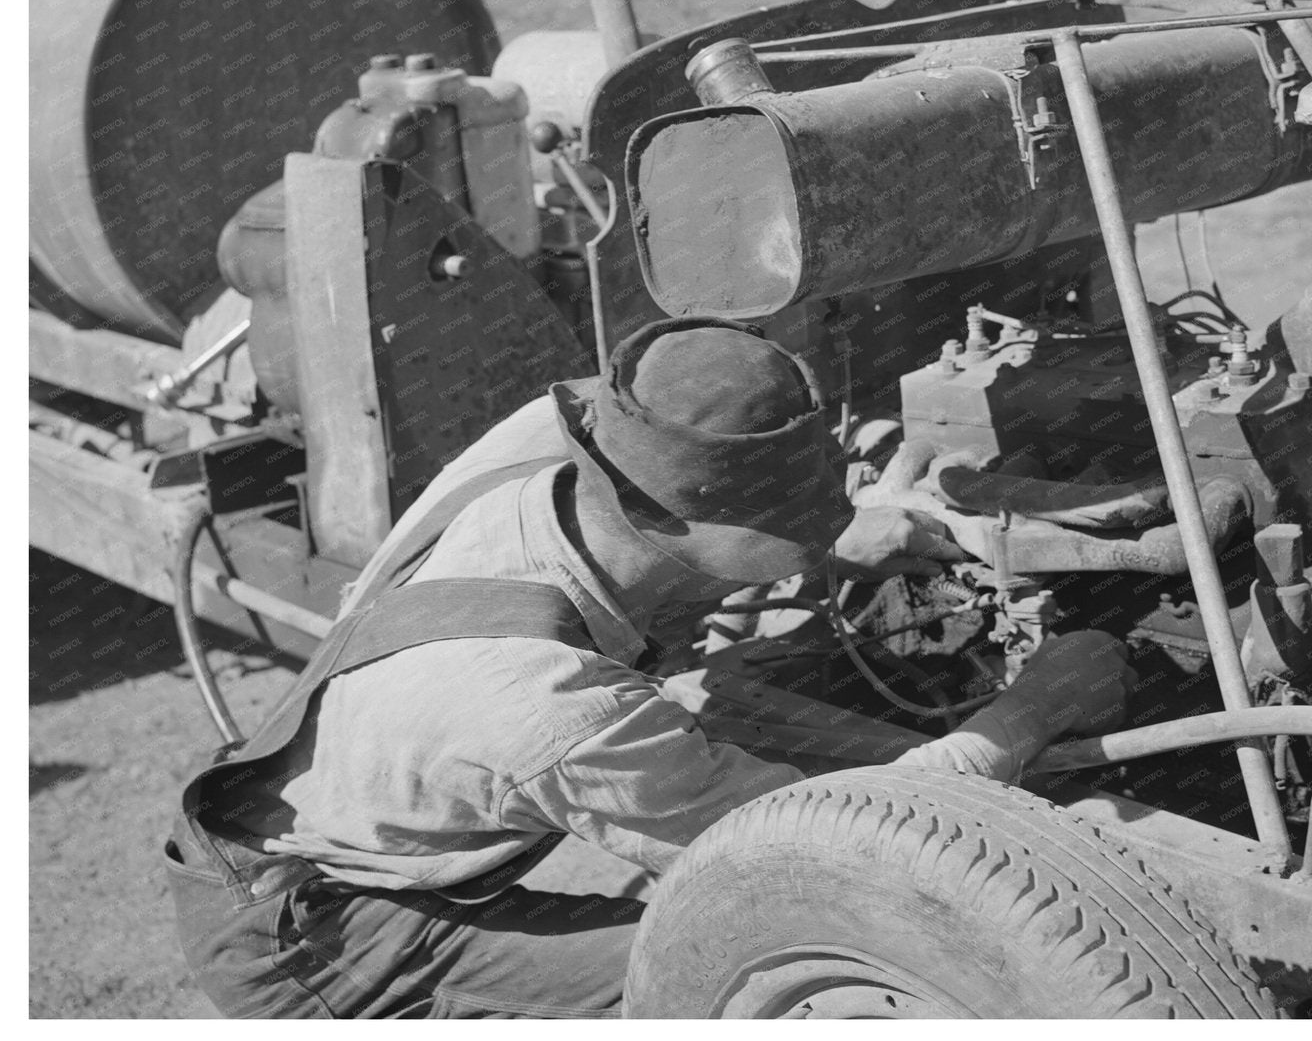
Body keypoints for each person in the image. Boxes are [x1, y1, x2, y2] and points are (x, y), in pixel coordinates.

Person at [165, 317, 1132, 1019]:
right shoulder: (551, 710)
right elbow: (836, 850)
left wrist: (833, 536)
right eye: (773, 548)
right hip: (320, 933)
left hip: (362, 795)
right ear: (672, 532)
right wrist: (1036, 708)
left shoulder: (557, 445)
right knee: (759, 973)